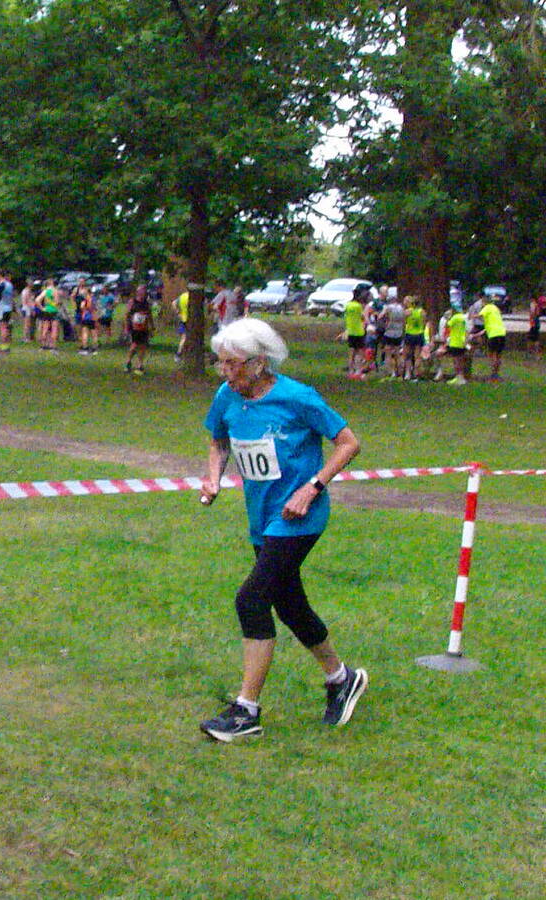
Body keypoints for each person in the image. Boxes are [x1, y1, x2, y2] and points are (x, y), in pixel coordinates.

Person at [199, 318, 366, 743]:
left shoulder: (297, 397)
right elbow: (218, 440)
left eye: (233, 364)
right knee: (289, 604)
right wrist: (213, 477)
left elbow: (348, 443)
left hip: (298, 517)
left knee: (252, 599)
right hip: (262, 517)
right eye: (220, 363)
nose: (225, 372)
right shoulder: (226, 396)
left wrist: (312, 487)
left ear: (259, 363)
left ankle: (246, 710)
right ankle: (341, 678)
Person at [124, 284, 154, 373]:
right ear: (138, 292)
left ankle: (140, 365)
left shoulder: (146, 303)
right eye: (142, 291)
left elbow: (149, 314)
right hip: (134, 327)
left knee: (143, 346)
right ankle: (128, 362)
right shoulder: (132, 302)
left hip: (144, 327)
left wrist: (152, 326)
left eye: (145, 291)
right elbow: (127, 315)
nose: (143, 293)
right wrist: (126, 327)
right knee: (134, 345)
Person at [477, 293, 506, 382]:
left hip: (493, 334)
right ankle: (496, 373)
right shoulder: (495, 308)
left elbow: (479, 316)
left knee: (492, 354)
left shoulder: (487, 307)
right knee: (498, 355)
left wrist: (470, 316)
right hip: (502, 333)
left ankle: (493, 375)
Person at [341, 284, 367, 379]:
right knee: (359, 352)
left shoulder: (348, 305)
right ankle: (358, 371)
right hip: (359, 331)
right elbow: (363, 317)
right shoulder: (358, 306)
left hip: (351, 331)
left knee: (351, 352)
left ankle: (351, 371)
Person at [380, 289, 405, 378]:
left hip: (389, 332)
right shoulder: (401, 308)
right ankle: (400, 372)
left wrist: (384, 321)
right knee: (397, 353)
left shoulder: (388, 307)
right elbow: (404, 320)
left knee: (388, 353)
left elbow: (380, 316)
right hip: (398, 332)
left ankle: (391, 372)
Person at [444, 301, 469, 385]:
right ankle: (461, 377)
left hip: (455, 342)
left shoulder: (454, 318)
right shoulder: (464, 317)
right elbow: (467, 330)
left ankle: (458, 377)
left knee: (456, 361)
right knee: (461, 360)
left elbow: (447, 326)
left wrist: (448, 318)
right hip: (462, 341)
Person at [401, 295, 425, 380]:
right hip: (419, 334)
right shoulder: (422, 312)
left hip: (409, 334)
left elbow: (404, 323)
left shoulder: (407, 312)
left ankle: (407, 373)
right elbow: (424, 323)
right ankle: (416, 373)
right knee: (417, 356)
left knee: (408, 355)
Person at [34, 278, 59, 352]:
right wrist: (54, 305)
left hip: (46, 310)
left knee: (45, 328)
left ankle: (43, 345)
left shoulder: (45, 291)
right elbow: (57, 302)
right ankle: (53, 346)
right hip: (53, 310)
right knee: (54, 329)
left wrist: (42, 308)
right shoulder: (55, 291)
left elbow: (37, 300)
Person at [0, 273, 15, 353]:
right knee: (6, 328)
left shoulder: (2, 285)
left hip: (1, 308)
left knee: (2, 328)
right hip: (8, 307)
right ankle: (6, 347)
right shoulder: (10, 285)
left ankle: (3, 348)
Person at [172, 289, 190, 359]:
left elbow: (173, 303)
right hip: (190, 320)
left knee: (184, 338)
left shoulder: (183, 296)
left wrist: (178, 313)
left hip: (183, 318)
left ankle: (181, 353)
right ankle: (179, 354)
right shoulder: (194, 297)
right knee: (185, 338)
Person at [528, 291, 546, 360]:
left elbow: (533, 314)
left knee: (534, 339)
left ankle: (536, 354)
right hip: (536, 323)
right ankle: (532, 353)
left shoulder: (533, 304)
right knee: (531, 339)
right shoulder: (537, 305)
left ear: (532, 298)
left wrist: (532, 319)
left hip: (534, 323)